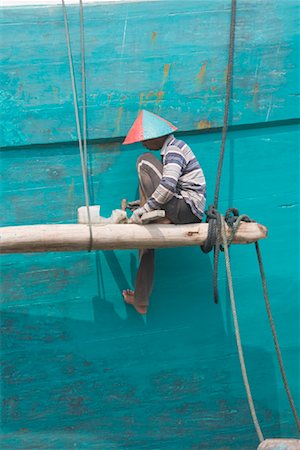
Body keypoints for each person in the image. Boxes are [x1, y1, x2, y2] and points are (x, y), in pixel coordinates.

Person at [122, 109, 206, 314]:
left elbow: (168, 186)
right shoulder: (170, 151)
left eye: (145, 139)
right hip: (182, 207)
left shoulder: (175, 149)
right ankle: (141, 298)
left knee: (143, 160)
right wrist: (142, 208)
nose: (143, 144)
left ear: (156, 136)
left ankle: (160, 214)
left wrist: (147, 209)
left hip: (186, 208)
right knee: (146, 241)